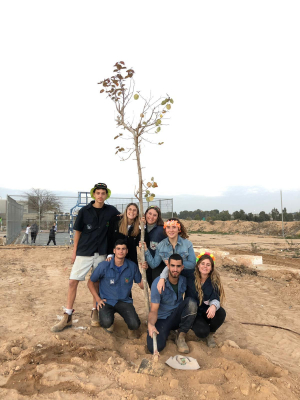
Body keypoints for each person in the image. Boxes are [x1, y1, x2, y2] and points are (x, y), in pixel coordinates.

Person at [51, 183, 120, 332]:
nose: (100, 196)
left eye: (103, 193)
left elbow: (123, 220)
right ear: (93, 194)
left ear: (106, 195)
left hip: (101, 252)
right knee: (72, 282)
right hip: (84, 251)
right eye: (98, 193)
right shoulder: (84, 211)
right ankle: (67, 315)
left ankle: (95, 311)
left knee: (96, 283)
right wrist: (74, 251)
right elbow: (78, 232)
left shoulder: (111, 211)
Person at [158, 252, 226, 348]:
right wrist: (162, 278)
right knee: (202, 332)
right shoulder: (190, 274)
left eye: (208, 265)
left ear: (211, 268)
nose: (205, 267)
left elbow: (215, 297)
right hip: (193, 312)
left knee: (221, 312)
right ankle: (181, 334)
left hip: (206, 312)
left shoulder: (213, 281)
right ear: (198, 265)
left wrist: (213, 306)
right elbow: (175, 269)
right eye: (202, 264)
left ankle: (211, 334)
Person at [87, 239, 145, 337]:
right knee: (106, 323)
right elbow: (90, 282)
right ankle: (109, 322)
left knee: (135, 324)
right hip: (107, 301)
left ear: (127, 251)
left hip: (124, 301)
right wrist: (98, 299)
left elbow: (142, 285)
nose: (121, 251)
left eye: (123, 249)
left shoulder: (132, 266)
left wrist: (145, 271)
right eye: (118, 249)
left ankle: (130, 330)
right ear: (114, 251)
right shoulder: (104, 265)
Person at [147, 254, 198, 354]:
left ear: (182, 267)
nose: (175, 269)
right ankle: (168, 332)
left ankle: (181, 336)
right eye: (173, 266)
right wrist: (151, 324)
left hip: (176, 316)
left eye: (178, 266)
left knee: (191, 303)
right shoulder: (158, 283)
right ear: (168, 266)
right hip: (162, 319)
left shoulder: (184, 280)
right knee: (154, 347)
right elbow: (153, 310)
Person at [142, 205, 166, 288]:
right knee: (151, 287)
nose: (151, 217)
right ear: (145, 214)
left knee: (157, 288)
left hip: (159, 265)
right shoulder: (142, 228)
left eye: (154, 215)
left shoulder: (161, 230)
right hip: (147, 263)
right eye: (149, 213)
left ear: (158, 217)